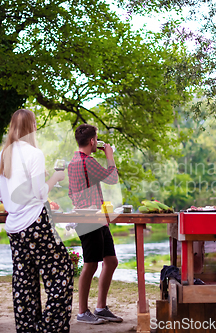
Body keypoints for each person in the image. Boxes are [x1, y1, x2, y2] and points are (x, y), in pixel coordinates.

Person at [0, 109, 73, 333]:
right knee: (61, 273)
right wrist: (56, 176)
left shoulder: (3, 155)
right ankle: (48, 329)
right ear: (32, 127)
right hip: (35, 223)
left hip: (15, 227)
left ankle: (28, 329)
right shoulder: (34, 154)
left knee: (24, 282)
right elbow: (39, 194)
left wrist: (9, 199)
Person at [68, 124, 123, 325]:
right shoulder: (87, 162)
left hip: (97, 218)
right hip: (88, 219)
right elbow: (113, 178)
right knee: (91, 264)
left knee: (111, 261)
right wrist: (109, 154)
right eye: (96, 139)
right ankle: (82, 312)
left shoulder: (74, 161)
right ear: (92, 141)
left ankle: (100, 307)